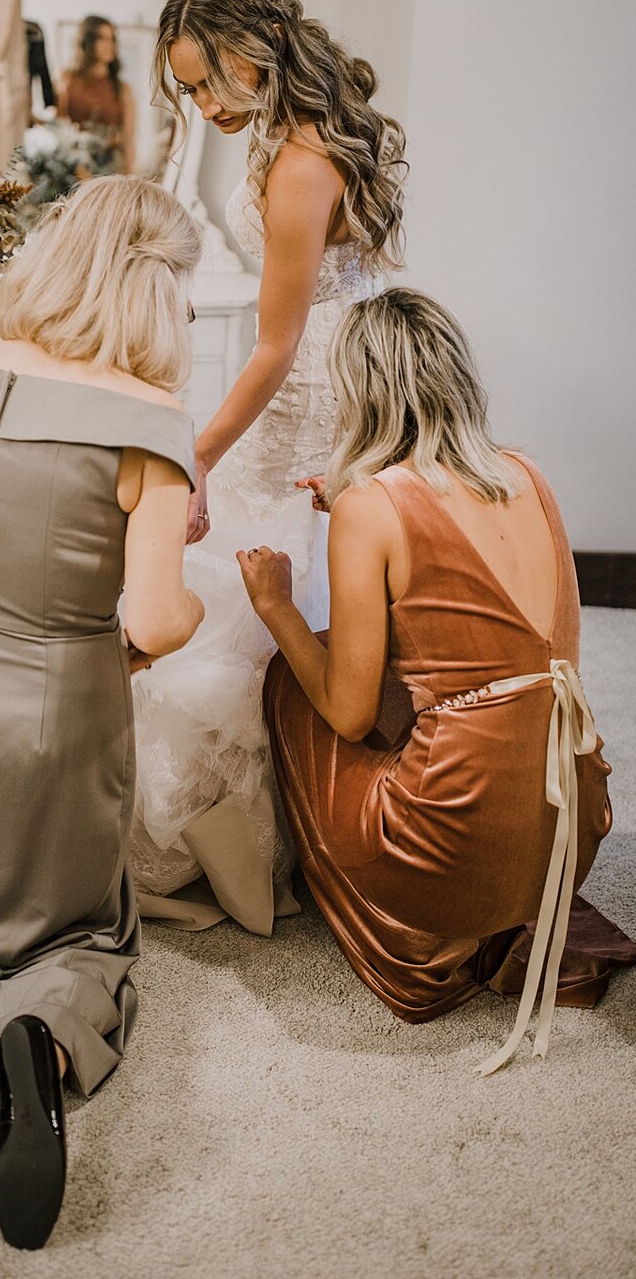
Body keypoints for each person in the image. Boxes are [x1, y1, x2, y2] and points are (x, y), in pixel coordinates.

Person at [0, 175, 203, 1249]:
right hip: (54, 699)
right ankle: (38, 1046)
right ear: (154, 291)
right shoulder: (145, 423)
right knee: (82, 929)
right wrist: (180, 603)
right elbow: (154, 615)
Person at [241, 288, 635, 1069]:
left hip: (448, 850)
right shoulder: (528, 473)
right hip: (568, 821)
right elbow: (459, 595)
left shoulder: (371, 508)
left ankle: (416, 930)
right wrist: (358, 507)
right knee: (407, 671)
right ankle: (503, 900)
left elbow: (351, 716)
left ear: (361, 393)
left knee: (297, 680)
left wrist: (276, 606)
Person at [129, 0, 407, 935]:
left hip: (311, 386)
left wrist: (192, 452)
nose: (201, 104)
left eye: (207, 79)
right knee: (289, 565)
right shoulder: (309, 137)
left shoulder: (297, 165)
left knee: (259, 562)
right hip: (353, 365)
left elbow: (276, 347)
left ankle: (265, 831)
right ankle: (302, 809)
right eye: (186, 88)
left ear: (257, 46)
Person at [57, 15, 136, 174]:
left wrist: (130, 176)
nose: (109, 45)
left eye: (112, 39)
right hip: (72, 169)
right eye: (102, 38)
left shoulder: (122, 89)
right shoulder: (67, 80)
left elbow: (128, 139)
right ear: (88, 42)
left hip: (110, 169)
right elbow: (58, 127)